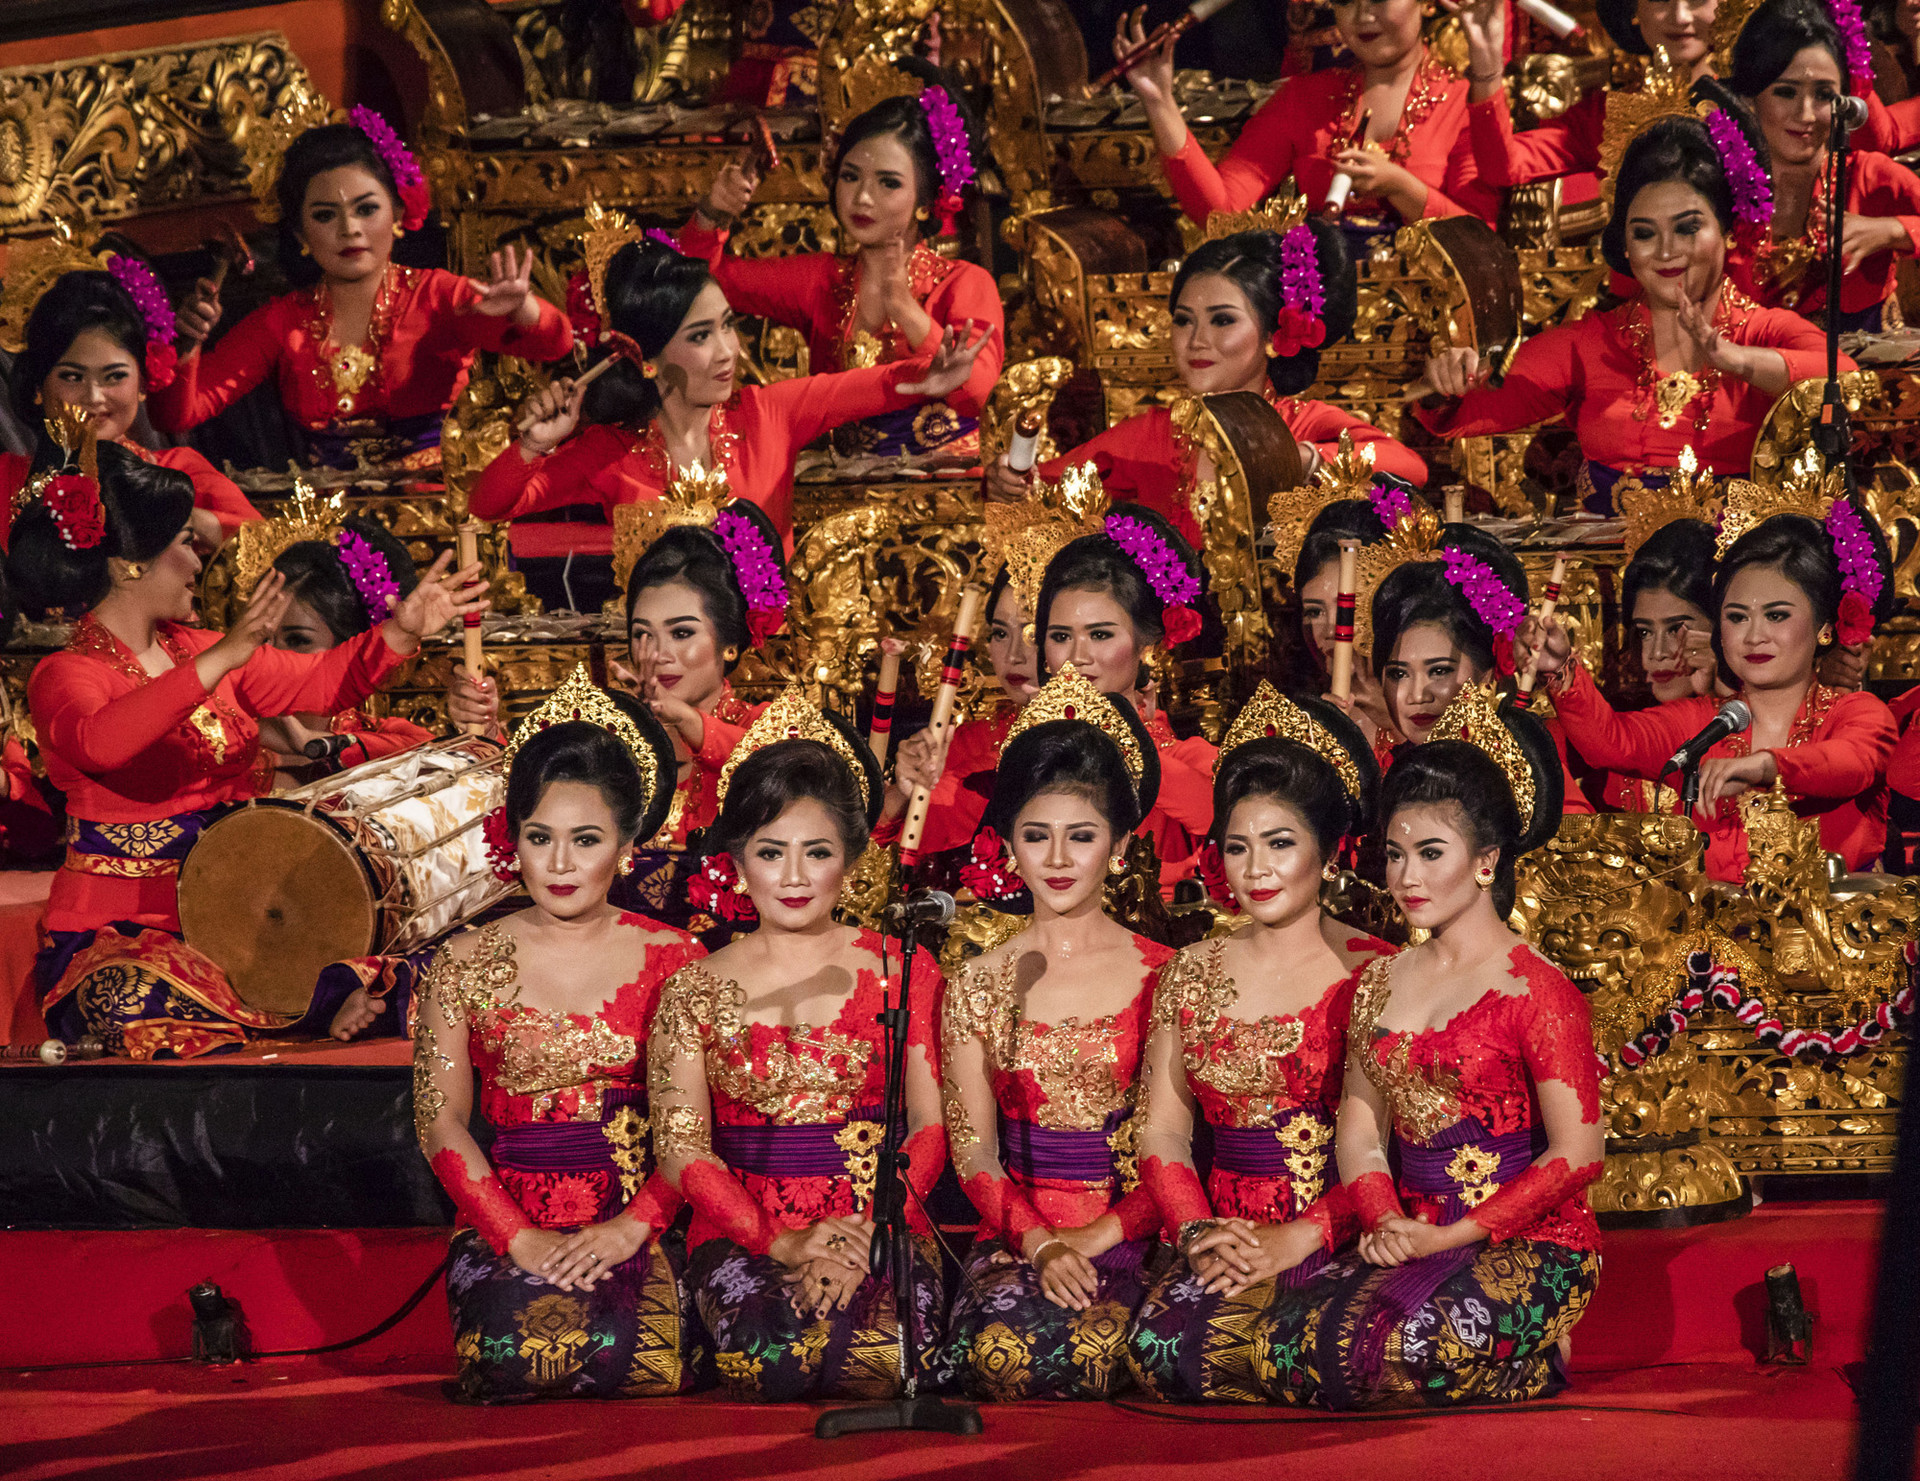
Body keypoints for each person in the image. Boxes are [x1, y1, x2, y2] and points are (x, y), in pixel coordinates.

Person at [14, 430, 486, 1057]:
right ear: (132, 564)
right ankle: (306, 1008)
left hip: (244, 910)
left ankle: (316, 998)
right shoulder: (67, 673)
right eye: (185, 542)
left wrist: (400, 630)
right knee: (135, 1004)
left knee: (420, 948)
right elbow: (102, 743)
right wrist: (226, 656)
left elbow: (323, 677)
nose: (198, 557)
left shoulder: (203, 649)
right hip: (123, 932)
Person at [1266, 683, 1603, 1408]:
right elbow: (1359, 1127)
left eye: (1429, 852)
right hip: (1408, 1231)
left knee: (1393, 1350)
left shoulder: (1537, 989)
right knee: (1279, 1342)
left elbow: (1579, 1152)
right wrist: (1386, 1218)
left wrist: (1454, 1237)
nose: (1406, 876)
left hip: (1529, 1241)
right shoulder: (1381, 979)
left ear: (1486, 860)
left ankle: (1537, 1353)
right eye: (1394, 853)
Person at [647, 692, 949, 1401]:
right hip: (746, 1233)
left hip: (880, 1223)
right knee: (770, 1357)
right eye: (770, 851)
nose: (791, 875)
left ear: (848, 855)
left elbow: (934, 1125)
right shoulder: (692, 987)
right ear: (737, 857)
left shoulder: (903, 967)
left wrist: (872, 1234)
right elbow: (684, 1149)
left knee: (882, 1357)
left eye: (815, 852)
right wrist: (779, 1241)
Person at [414, 668, 706, 1403]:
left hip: (642, 1221)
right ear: (512, 840)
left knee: (641, 1360)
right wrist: (517, 1236)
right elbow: (438, 1116)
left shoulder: (677, 959)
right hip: (508, 1224)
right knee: (513, 1354)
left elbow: (688, 1127)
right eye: (540, 837)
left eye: (586, 839)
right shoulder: (462, 958)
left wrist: (631, 1229)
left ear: (628, 845)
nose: (561, 862)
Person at [1127, 684, 1395, 1402]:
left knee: (1316, 1353)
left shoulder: (1376, 969)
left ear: (1329, 851)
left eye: (1280, 844)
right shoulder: (1190, 970)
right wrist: (1196, 1233)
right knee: (1162, 1354)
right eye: (1239, 847)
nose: (1257, 868)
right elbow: (1161, 1128)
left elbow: (1386, 1147)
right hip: (1220, 1239)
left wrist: (1298, 1238)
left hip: (1337, 1231)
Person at [1410, 104, 1841, 514]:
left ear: (1729, 232)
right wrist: (1444, 383)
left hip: (1731, 577)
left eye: (1688, 228)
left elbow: (1846, 380)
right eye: (1645, 234)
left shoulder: (1764, 332)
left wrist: (1737, 359)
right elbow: (1468, 410)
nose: (1667, 251)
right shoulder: (1591, 343)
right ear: (1627, 248)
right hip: (1614, 576)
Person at [941, 664, 1173, 1401]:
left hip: (1136, 1233)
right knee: (1006, 1356)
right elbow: (972, 1146)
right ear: (1009, 846)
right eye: (1037, 836)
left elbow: (1175, 1143)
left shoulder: (1166, 975)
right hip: (1019, 1236)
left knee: (1144, 1353)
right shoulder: (975, 980)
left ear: (1121, 846)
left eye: (1082, 835)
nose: (1060, 858)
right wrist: (1039, 1241)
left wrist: (1104, 1234)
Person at [467, 236, 989, 550]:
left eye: (727, 326)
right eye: (699, 336)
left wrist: (934, 375)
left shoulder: (770, 414)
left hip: (770, 678)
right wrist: (533, 446)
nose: (726, 351)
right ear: (646, 358)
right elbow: (491, 505)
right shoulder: (611, 454)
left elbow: (870, 385)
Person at [157, 111, 572, 467]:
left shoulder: (436, 296)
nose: (349, 229)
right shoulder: (281, 322)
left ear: (397, 212)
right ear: (301, 232)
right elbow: (178, 414)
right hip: (332, 523)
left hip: (439, 510)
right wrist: (188, 344)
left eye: (366, 209)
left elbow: (555, 344)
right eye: (325, 215)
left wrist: (523, 310)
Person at [1524, 493, 1898, 880]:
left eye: (1776, 615)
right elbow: (1611, 741)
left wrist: (1767, 766)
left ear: (1824, 627)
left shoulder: (1858, 714)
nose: (1754, 636)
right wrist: (1559, 666)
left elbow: (1851, 764)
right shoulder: (1705, 723)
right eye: (1737, 617)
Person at [986, 227, 1426, 553]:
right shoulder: (1154, 434)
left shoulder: (1303, 423)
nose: (1196, 339)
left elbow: (1409, 468)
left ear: (1275, 335)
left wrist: (1301, 459)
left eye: (1222, 320)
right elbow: (1042, 483)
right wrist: (1009, 481)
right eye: (1183, 320)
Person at [680, 56, 1005, 463]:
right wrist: (712, 214)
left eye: (888, 183)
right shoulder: (822, 278)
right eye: (851, 176)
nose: (863, 197)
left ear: (925, 203)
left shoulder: (965, 283)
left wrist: (903, 307)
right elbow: (697, 283)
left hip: (941, 496)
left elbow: (978, 389)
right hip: (831, 487)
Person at [1117, 0, 1500, 228]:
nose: (1362, 14)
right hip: (1317, 316)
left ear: (1427, 3)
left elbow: (1481, 234)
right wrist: (1159, 101)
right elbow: (1219, 211)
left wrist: (1401, 187)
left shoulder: (1466, 103)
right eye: (1346, 0)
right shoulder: (1305, 98)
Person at [1, 265, 259, 548]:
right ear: (39, 386)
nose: (95, 396)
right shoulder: (5, 481)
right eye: (73, 377)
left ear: (143, 382)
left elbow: (269, 547)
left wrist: (186, 521)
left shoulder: (181, 473)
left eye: (115, 376)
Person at [1035, 501, 1218, 887]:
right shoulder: (1025, 755)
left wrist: (1124, 734)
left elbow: (1219, 813)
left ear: (1145, 645)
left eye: (1100, 635)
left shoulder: (1189, 759)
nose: (1077, 657)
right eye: (1060, 637)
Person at [1362, 504, 1592, 811]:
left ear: (1487, 672)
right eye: (1399, 674)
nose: (1416, 696)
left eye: (1439, 671)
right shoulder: (1371, 771)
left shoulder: (1526, 774)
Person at [1726, 0, 1920, 328]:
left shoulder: (1866, 176)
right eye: (1785, 92)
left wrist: (1892, 230)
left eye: (1824, 96)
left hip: (1866, 372)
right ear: (1749, 98)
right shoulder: (1719, 190)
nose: (1805, 115)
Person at [1451, 0, 1722, 195]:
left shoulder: (1755, 97)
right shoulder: (1608, 116)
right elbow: (1503, 168)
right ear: (1635, 9)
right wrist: (1486, 67)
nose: (1680, 15)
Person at [255, 510, 435, 776]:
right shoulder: (225, 741)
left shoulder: (389, 739)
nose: (273, 654)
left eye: (298, 640)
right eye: (260, 638)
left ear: (348, 649)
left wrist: (312, 743)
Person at [1596, 512, 1726, 811]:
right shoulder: (1630, 743)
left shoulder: (1766, 725)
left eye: (1675, 629)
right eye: (1644, 631)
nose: (1656, 653)